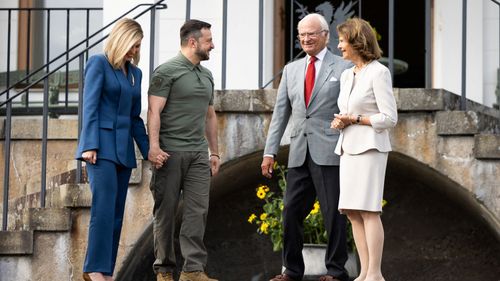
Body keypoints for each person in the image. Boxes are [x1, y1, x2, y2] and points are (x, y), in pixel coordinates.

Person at [261, 13, 352, 281]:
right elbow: (280, 115)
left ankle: (335, 271)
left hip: (330, 151)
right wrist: (270, 151)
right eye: (301, 34)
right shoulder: (291, 69)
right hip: (299, 151)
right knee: (290, 212)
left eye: (311, 33)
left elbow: (351, 108)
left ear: (326, 35)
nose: (306, 38)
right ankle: (292, 271)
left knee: (333, 213)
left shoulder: (344, 67)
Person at [75, 18, 151, 281]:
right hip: (100, 150)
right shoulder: (99, 64)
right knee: (103, 209)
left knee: (117, 214)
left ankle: (106, 272)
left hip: (124, 153)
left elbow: (134, 118)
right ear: (121, 39)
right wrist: (89, 145)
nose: (135, 50)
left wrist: (149, 149)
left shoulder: (135, 74)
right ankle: (94, 269)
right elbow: (89, 105)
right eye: (132, 44)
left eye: (138, 46)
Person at [147, 19, 220, 281]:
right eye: (208, 40)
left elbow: (210, 116)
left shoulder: (206, 74)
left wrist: (214, 152)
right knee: (165, 213)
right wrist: (153, 147)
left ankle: (193, 271)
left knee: (197, 211)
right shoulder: (166, 71)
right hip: (169, 154)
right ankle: (164, 270)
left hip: (198, 154)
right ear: (193, 42)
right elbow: (154, 111)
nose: (213, 45)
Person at [331, 18, 398, 281]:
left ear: (357, 42)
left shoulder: (379, 72)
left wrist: (356, 119)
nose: (339, 47)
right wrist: (341, 120)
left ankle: (375, 274)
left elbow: (390, 118)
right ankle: (363, 273)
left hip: (370, 149)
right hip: (348, 147)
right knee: (352, 211)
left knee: (369, 210)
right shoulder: (347, 75)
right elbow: (349, 111)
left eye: (342, 41)